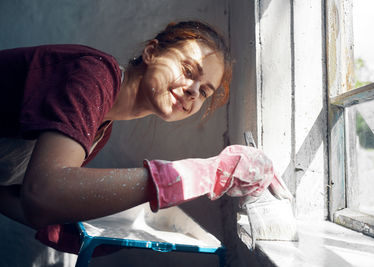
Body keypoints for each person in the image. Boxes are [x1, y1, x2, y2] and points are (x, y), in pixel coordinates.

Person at [0, 21, 289, 254]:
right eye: (189, 70)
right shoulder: (93, 74)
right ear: (151, 53)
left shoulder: (101, 131)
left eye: (204, 92)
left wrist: (83, 229)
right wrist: (203, 174)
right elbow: (42, 192)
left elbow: (23, 200)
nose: (193, 90)